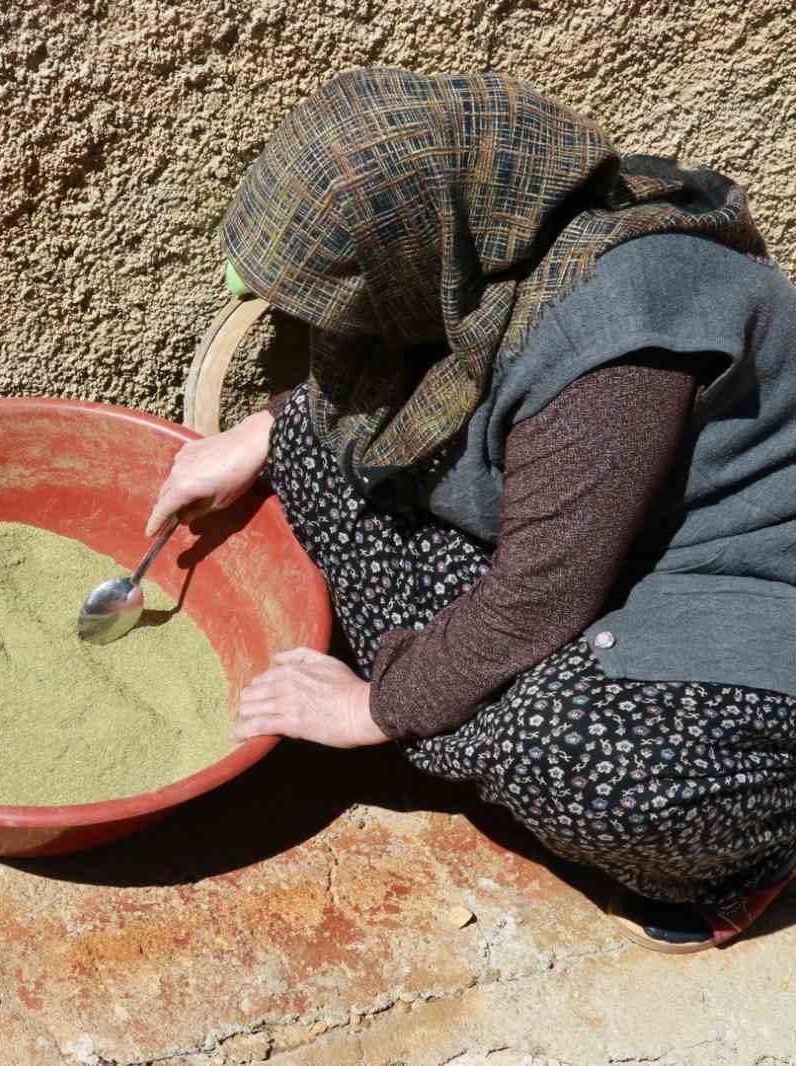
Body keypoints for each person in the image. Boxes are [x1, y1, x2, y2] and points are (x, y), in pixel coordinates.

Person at [147, 67, 796, 953]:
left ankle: (750, 858)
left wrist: (368, 712)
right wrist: (266, 431)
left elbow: (540, 596)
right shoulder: (493, 244)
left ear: (419, 243)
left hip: (739, 601)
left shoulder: (621, 346)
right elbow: (399, 390)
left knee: (581, 765)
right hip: (596, 538)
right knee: (313, 455)